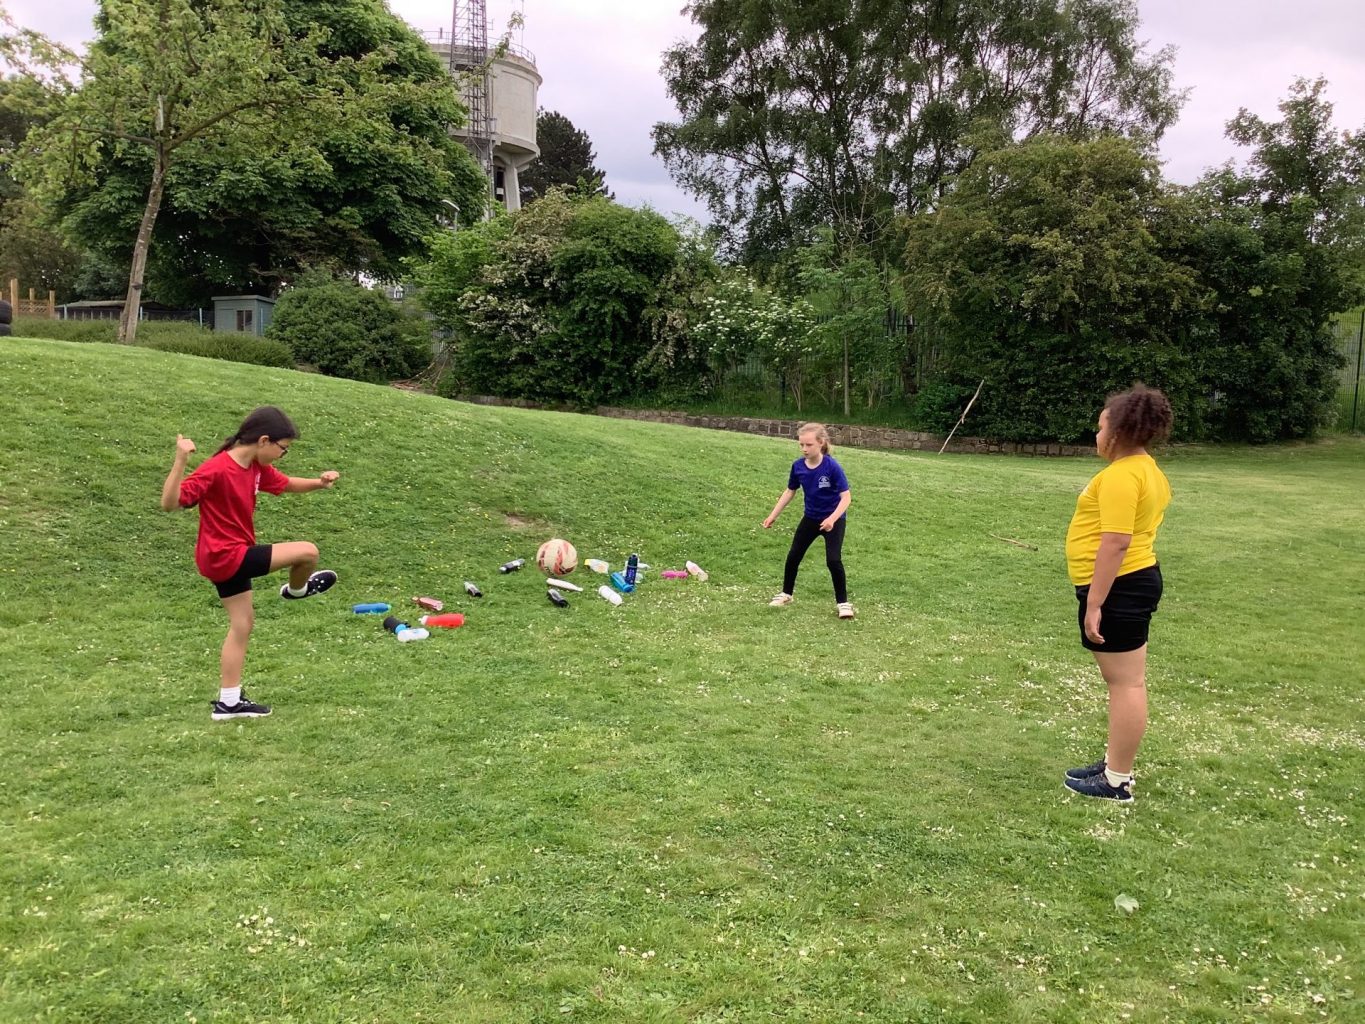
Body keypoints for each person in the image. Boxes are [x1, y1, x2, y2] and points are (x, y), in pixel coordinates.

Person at [160, 406, 340, 721]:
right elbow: (169, 503)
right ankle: (297, 591)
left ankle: (228, 703)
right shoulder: (217, 469)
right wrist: (180, 462)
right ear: (264, 440)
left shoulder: (254, 467)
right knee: (308, 552)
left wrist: (319, 483)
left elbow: (286, 484)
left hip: (224, 556)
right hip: (226, 556)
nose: (283, 455)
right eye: (283, 448)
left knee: (242, 624)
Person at [1062, 385, 1173, 801]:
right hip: (1132, 581)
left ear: (1118, 433)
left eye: (1100, 428)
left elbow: (1116, 542)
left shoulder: (1123, 476)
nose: (1096, 436)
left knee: (1126, 684)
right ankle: (1114, 764)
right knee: (1125, 681)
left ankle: (1117, 780)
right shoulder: (1147, 470)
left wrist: (1095, 603)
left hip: (1121, 586)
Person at [762, 422, 854, 619]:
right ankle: (786, 594)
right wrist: (772, 516)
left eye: (809, 444)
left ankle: (843, 603)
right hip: (811, 518)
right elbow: (790, 491)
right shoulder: (798, 467)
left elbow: (846, 497)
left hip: (834, 520)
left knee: (833, 560)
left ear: (821, 443)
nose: (804, 449)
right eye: (801, 444)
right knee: (794, 555)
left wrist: (832, 519)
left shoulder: (832, 467)